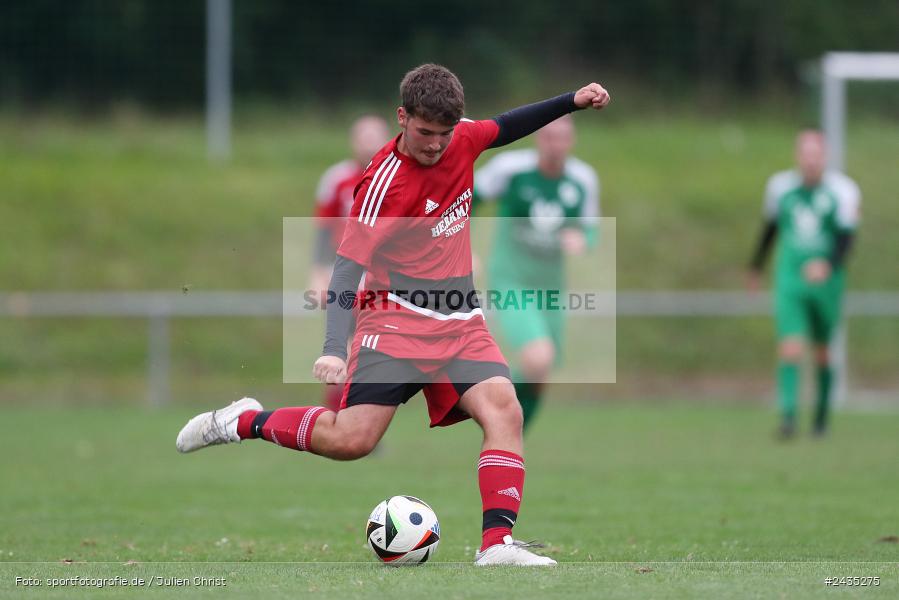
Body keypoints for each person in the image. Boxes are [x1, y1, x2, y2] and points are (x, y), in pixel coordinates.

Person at [177, 64, 610, 566]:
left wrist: (571, 100)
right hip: (395, 322)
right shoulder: (383, 185)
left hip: (459, 317)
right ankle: (243, 420)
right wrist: (333, 350)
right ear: (401, 117)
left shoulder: (462, 140)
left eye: (444, 134)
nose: (435, 145)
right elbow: (345, 271)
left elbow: (509, 124)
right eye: (425, 133)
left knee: (504, 409)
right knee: (351, 440)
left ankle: (497, 545)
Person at [473, 115, 599, 430]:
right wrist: (457, 246)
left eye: (562, 137)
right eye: (549, 136)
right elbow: (465, 200)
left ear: (571, 141)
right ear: (537, 138)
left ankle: (510, 439)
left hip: (551, 287)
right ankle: (480, 401)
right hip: (510, 279)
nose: (555, 144)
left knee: (540, 373)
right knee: (538, 357)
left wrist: (582, 240)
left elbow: (591, 229)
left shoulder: (583, 179)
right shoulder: (510, 169)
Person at [748, 130, 860, 439]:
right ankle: (788, 419)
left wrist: (827, 265)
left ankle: (821, 418)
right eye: (805, 153)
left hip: (827, 282)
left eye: (816, 154)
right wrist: (755, 266)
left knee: (823, 352)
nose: (811, 160)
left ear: (825, 157)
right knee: (790, 348)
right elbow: (770, 228)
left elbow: (847, 238)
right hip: (790, 277)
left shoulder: (844, 191)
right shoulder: (780, 187)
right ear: (798, 156)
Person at [310, 115, 390, 410]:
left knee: (370, 355)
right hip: (344, 274)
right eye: (363, 136)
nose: (369, 143)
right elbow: (321, 229)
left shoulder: (398, 177)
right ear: (353, 142)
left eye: (375, 135)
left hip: (383, 278)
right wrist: (318, 274)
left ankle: (355, 421)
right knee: (340, 353)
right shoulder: (337, 178)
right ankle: (333, 420)